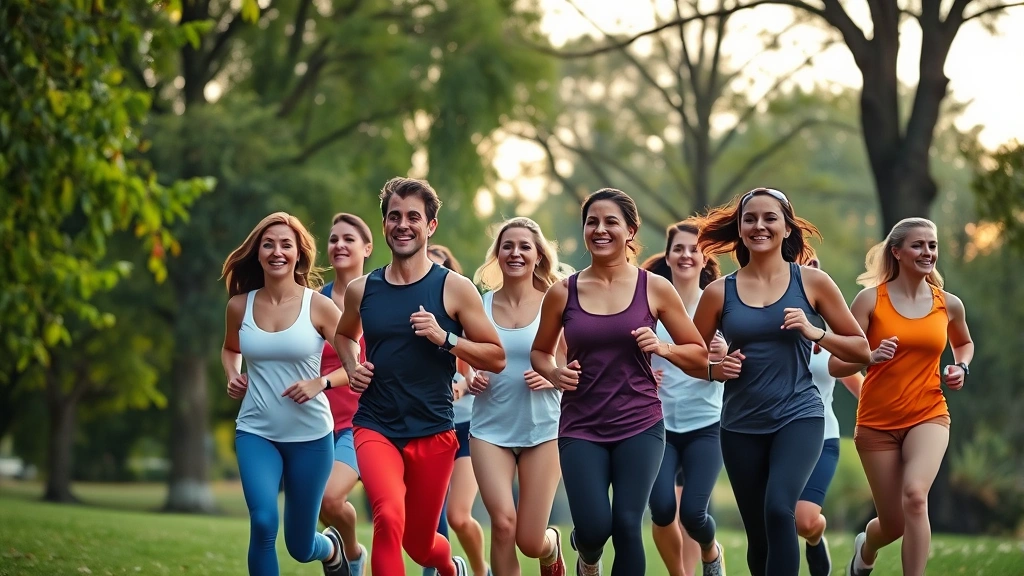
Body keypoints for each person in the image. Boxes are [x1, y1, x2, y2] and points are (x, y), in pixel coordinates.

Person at [687, 188, 871, 576]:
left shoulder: (813, 283)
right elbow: (692, 354)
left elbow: (860, 348)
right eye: (749, 219)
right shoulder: (720, 292)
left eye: (769, 218)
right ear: (739, 229)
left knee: (779, 509)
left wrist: (815, 332)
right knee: (759, 534)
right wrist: (713, 370)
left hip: (798, 416)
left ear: (787, 227)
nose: (759, 226)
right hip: (739, 425)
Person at [333, 177, 506, 576]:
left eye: (414, 216)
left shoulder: (454, 288)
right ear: (384, 226)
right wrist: (353, 367)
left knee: (420, 543)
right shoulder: (363, 290)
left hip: (433, 428)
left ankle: (451, 567)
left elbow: (495, 357)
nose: (403, 224)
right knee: (389, 519)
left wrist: (445, 338)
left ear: (430, 226)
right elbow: (344, 335)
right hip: (376, 424)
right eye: (394, 216)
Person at [531, 188, 709, 576]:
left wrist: (662, 347)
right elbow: (540, 353)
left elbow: (697, 352)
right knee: (594, 529)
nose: (600, 229)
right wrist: (556, 373)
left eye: (611, 221)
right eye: (592, 222)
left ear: (630, 230)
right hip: (581, 425)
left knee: (628, 525)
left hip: (640, 423)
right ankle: (586, 558)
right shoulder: (563, 293)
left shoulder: (655, 288)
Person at [829, 218, 974, 576]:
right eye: (918, 245)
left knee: (915, 496)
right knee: (892, 524)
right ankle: (866, 550)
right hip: (877, 422)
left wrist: (961, 368)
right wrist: (868, 356)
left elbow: (964, 344)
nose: (928, 252)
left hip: (928, 413)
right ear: (896, 252)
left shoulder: (949, 304)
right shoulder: (869, 301)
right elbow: (835, 364)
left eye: (932, 245)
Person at [221, 212, 350, 576]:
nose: (276, 251)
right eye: (268, 244)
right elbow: (231, 349)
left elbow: (356, 364)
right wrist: (233, 373)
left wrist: (320, 383)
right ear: (257, 252)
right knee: (263, 523)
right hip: (256, 431)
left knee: (299, 544)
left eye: (285, 245)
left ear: (298, 255)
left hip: (311, 437)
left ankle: (329, 548)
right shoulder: (238, 306)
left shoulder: (319, 306)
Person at [468, 217, 569, 576]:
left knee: (529, 540)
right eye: (508, 246)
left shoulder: (554, 303)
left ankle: (550, 546)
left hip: (542, 430)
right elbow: (461, 359)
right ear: (497, 254)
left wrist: (553, 378)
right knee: (503, 524)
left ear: (538, 254)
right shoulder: (478, 304)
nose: (516, 253)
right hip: (489, 430)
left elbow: (576, 366)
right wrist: (469, 378)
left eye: (525, 246)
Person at [640, 219, 727, 576]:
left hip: (707, 425)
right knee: (661, 508)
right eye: (680, 248)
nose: (687, 254)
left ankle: (711, 551)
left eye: (695, 249)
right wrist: (644, 370)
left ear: (706, 258)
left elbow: (743, 362)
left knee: (693, 513)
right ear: (669, 255)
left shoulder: (722, 304)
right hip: (658, 425)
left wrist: (724, 352)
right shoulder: (651, 303)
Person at [794, 254, 865, 576]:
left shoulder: (829, 340)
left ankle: (815, 536)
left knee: (804, 520)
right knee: (771, 519)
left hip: (823, 437)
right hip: (771, 436)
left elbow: (862, 389)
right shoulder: (764, 334)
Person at [426, 243, 491, 576]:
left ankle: (480, 569)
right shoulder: (410, 322)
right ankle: (439, 569)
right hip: (426, 428)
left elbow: (478, 368)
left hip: (465, 427)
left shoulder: (462, 321)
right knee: (429, 518)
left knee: (459, 516)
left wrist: (463, 385)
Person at [318, 213, 374, 576]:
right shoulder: (314, 300)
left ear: (367, 248)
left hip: (362, 422)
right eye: (333, 238)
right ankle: (352, 551)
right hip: (317, 424)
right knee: (322, 507)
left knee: (329, 497)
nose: (338, 245)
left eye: (348, 239)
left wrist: (321, 382)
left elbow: (363, 361)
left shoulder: (378, 297)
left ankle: (351, 556)